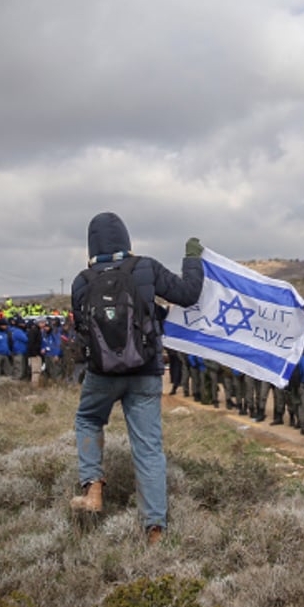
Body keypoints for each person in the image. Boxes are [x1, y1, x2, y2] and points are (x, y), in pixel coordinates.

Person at [68, 213, 203, 547]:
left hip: (102, 374)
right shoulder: (146, 267)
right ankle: (154, 529)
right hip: (145, 371)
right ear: (125, 240)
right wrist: (192, 258)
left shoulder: (82, 281)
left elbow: (82, 330)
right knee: (148, 449)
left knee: (88, 418)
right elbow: (189, 294)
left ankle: (93, 486)